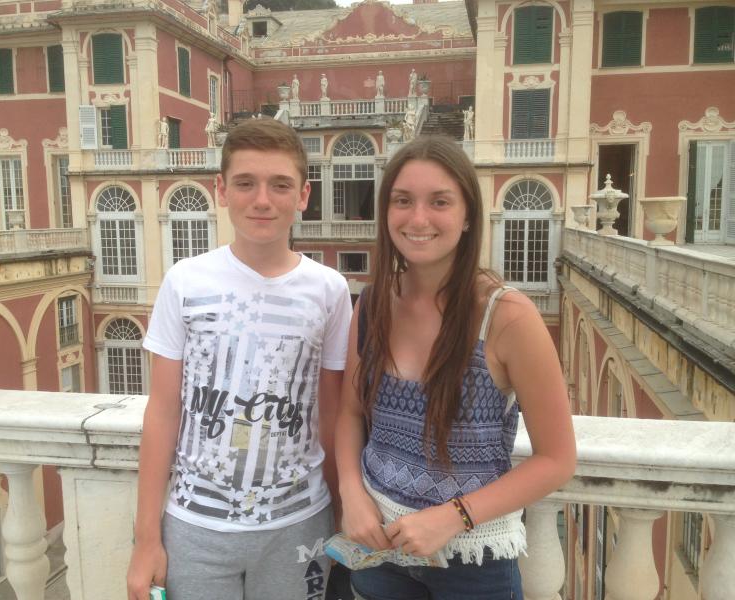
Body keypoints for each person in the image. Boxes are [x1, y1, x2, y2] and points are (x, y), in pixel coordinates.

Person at [334, 135, 576, 600]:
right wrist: (352, 493)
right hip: (379, 545)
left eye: (439, 202)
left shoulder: (506, 317)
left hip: (473, 562)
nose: (418, 218)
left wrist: (452, 516)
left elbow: (557, 459)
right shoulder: (372, 303)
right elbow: (349, 412)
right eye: (403, 201)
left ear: (467, 217)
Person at [127, 119, 353, 600]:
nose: (262, 200)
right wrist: (146, 539)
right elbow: (163, 411)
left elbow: (333, 414)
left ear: (304, 195)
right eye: (246, 183)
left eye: (280, 185)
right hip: (196, 526)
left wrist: (341, 510)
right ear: (222, 190)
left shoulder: (330, 290)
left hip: (300, 521)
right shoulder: (185, 282)